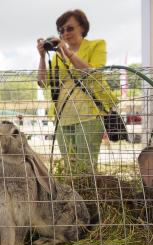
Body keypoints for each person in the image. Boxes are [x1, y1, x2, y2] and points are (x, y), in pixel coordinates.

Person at [36, 9, 117, 173]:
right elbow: (43, 83)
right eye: (61, 30)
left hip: (89, 115)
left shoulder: (97, 45)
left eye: (70, 28)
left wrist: (67, 52)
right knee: (69, 169)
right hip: (63, 117)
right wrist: (42, 57)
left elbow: (93, 73)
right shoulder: (57, 57)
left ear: (82, 28)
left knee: (86, 167)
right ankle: (74, 198)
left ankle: (88, 198)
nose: (65, 33)